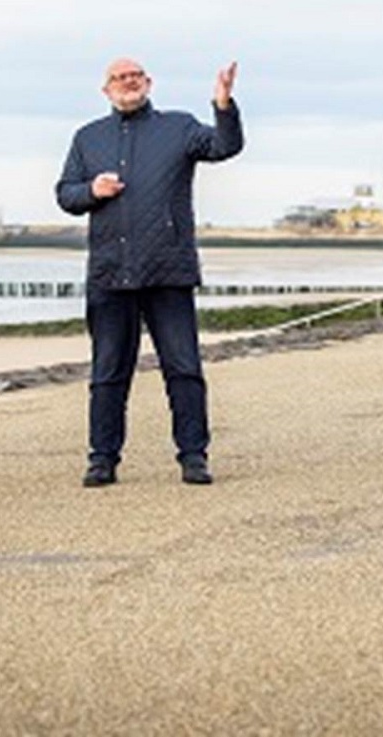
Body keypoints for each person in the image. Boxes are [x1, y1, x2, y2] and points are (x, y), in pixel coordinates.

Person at [56, 58, 243, 487]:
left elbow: (224, 146)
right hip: (110, 273)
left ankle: (193, 455)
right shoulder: (87, 138)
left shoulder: (178, 128)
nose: (128, 83)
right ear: (106, 90)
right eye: (119, 78)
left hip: (168, 270)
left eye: (135, 76)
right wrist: (91, 191)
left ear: (149, 83)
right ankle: (102, 458)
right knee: (107, 373)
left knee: (183, 368)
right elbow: (65, 194)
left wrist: (223, 103)